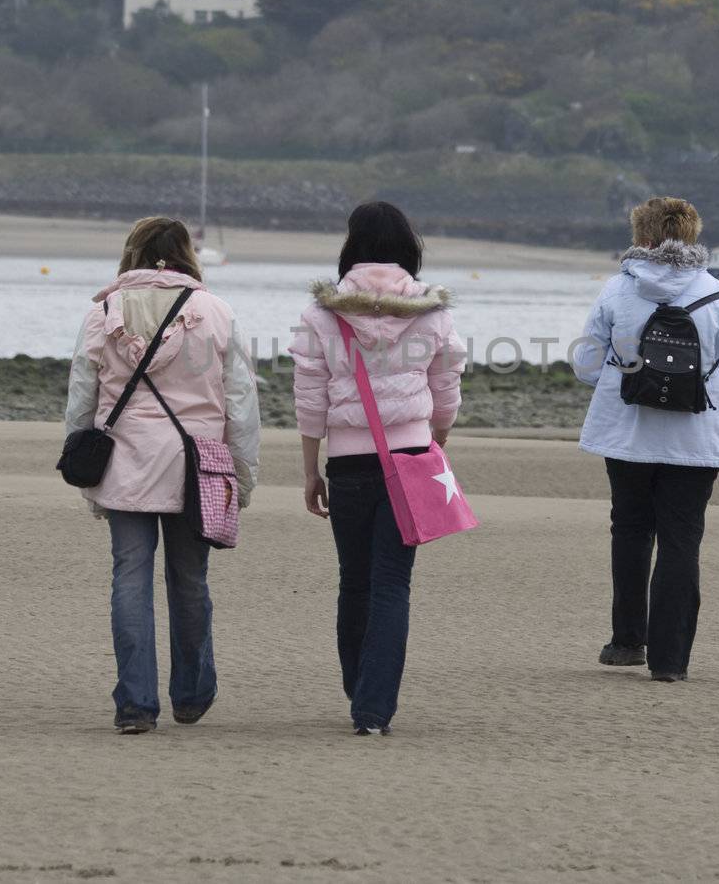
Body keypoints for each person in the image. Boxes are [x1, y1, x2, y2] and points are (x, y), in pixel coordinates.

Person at [65, 217, 260, 734]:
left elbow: (81, 398)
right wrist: (242, 473)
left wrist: (83, 465)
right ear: (187, 254)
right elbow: (241, 403)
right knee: (189, 579)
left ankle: (135, 703)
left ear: (133, 253)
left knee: (129, 577)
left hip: (124, 462)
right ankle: (192, 693)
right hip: (196, 463)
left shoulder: (103, 311)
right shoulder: (215, 312)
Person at [289, 202, 466, 735]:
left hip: (347, 462)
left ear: (351, 246)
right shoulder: (432, 312)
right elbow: (446, 388)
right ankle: (374, 708)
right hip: (410, 458)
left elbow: (309, 398)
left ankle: (357, 690)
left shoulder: (322, 315)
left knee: (355, 584)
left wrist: (309, 469)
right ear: (408, 247)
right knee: (393, 585)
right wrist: (435, 440)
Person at [572, 197, 719, 682]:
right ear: (692, 238)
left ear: (642, 238)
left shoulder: (617, 291)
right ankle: (670, 661)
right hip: (698, 439)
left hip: (627, 431)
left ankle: (627, 641)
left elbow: (586, 365)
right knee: (682, 539)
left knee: (630, 530)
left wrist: (626, 379)